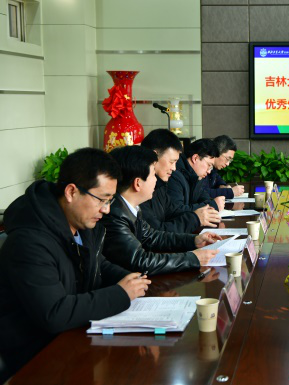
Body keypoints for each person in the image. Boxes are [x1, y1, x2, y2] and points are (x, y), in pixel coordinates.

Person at [0, 148, 150, 382]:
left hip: (75, 339)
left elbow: (98, 265)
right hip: (37, 359)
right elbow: (54, 313)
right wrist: (121, 293)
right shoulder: (29, 241)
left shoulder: (81, 224)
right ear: (71, 192)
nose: (106, 209)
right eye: (102, 199)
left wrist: (133, 280)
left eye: (110, 200)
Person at [102, 146, 221, 275]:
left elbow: (153, 237)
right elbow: (141, 261)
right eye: (153, 174)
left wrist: (194, 240)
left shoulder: (131, 207)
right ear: (138, 183)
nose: (156, 180)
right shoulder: (114, 214)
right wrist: (193, 258)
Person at [140, 129, 221, 233]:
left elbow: (172, 212)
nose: (174, 168)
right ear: (154, 156)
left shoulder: (160, 185)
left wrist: (194, 239)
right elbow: (156, 234)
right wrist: (195, 219)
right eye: (171, 162)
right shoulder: (142, 189)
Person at [168, 138, 226, 212]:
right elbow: (177, 210)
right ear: (195, 158)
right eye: (209, 165)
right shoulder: (174, 175)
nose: (209, 171)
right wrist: (212, 206)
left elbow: (205, 198)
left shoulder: (197, 177)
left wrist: (211, 204)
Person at [205, 135, 245, 199]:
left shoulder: (213, 168)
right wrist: (230, 192)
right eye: (227, 159)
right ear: (217, 152)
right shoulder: (201, 168)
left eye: (230, 160)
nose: (227, 164)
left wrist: (223, 186)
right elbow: (202, 193)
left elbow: (217, 178)